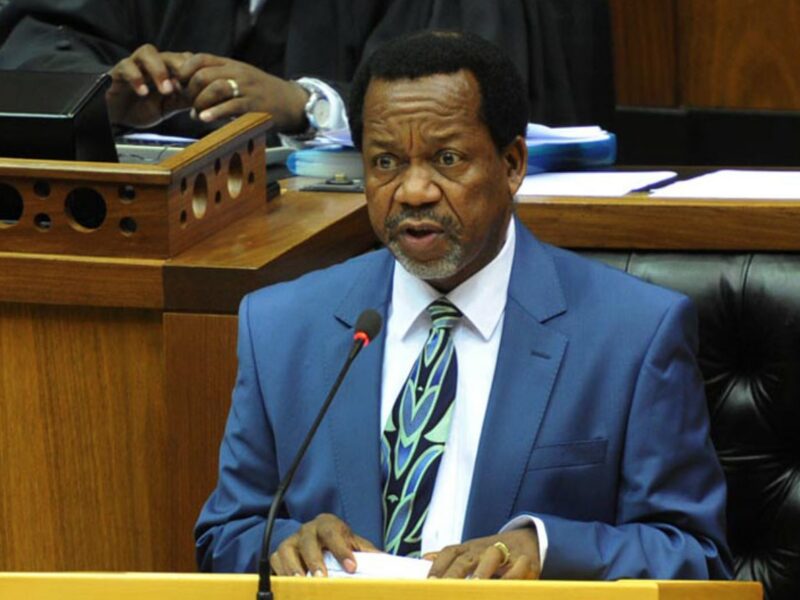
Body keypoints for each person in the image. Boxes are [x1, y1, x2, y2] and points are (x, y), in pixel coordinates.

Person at [194, 30, 731, 580]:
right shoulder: (282, 326)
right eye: (384, 163)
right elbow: (227, 534)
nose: (414, 191)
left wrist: (545, 548)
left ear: (513, 164)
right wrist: (286, 542)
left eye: (446, 158)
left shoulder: (634, 333)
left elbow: (694, 556)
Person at [0, 0, 613, 138]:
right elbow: (36, 36)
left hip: (362, 259)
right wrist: (103, 97)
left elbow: (467, 92)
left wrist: (308, 104)